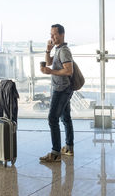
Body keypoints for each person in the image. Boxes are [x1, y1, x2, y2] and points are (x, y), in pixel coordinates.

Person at [39, 24, 74, 162]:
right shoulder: (58, 49)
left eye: (54, 34)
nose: (52, 37)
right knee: (65, 118)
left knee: (52, 119)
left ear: (62, 34)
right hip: (62, 88)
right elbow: (48, 62)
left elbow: (69, 71)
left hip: (61, 90)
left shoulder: (64, 51)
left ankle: (55, 153)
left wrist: (51, 72)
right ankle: (69, 147)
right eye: (51, 34)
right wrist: (48, 50)